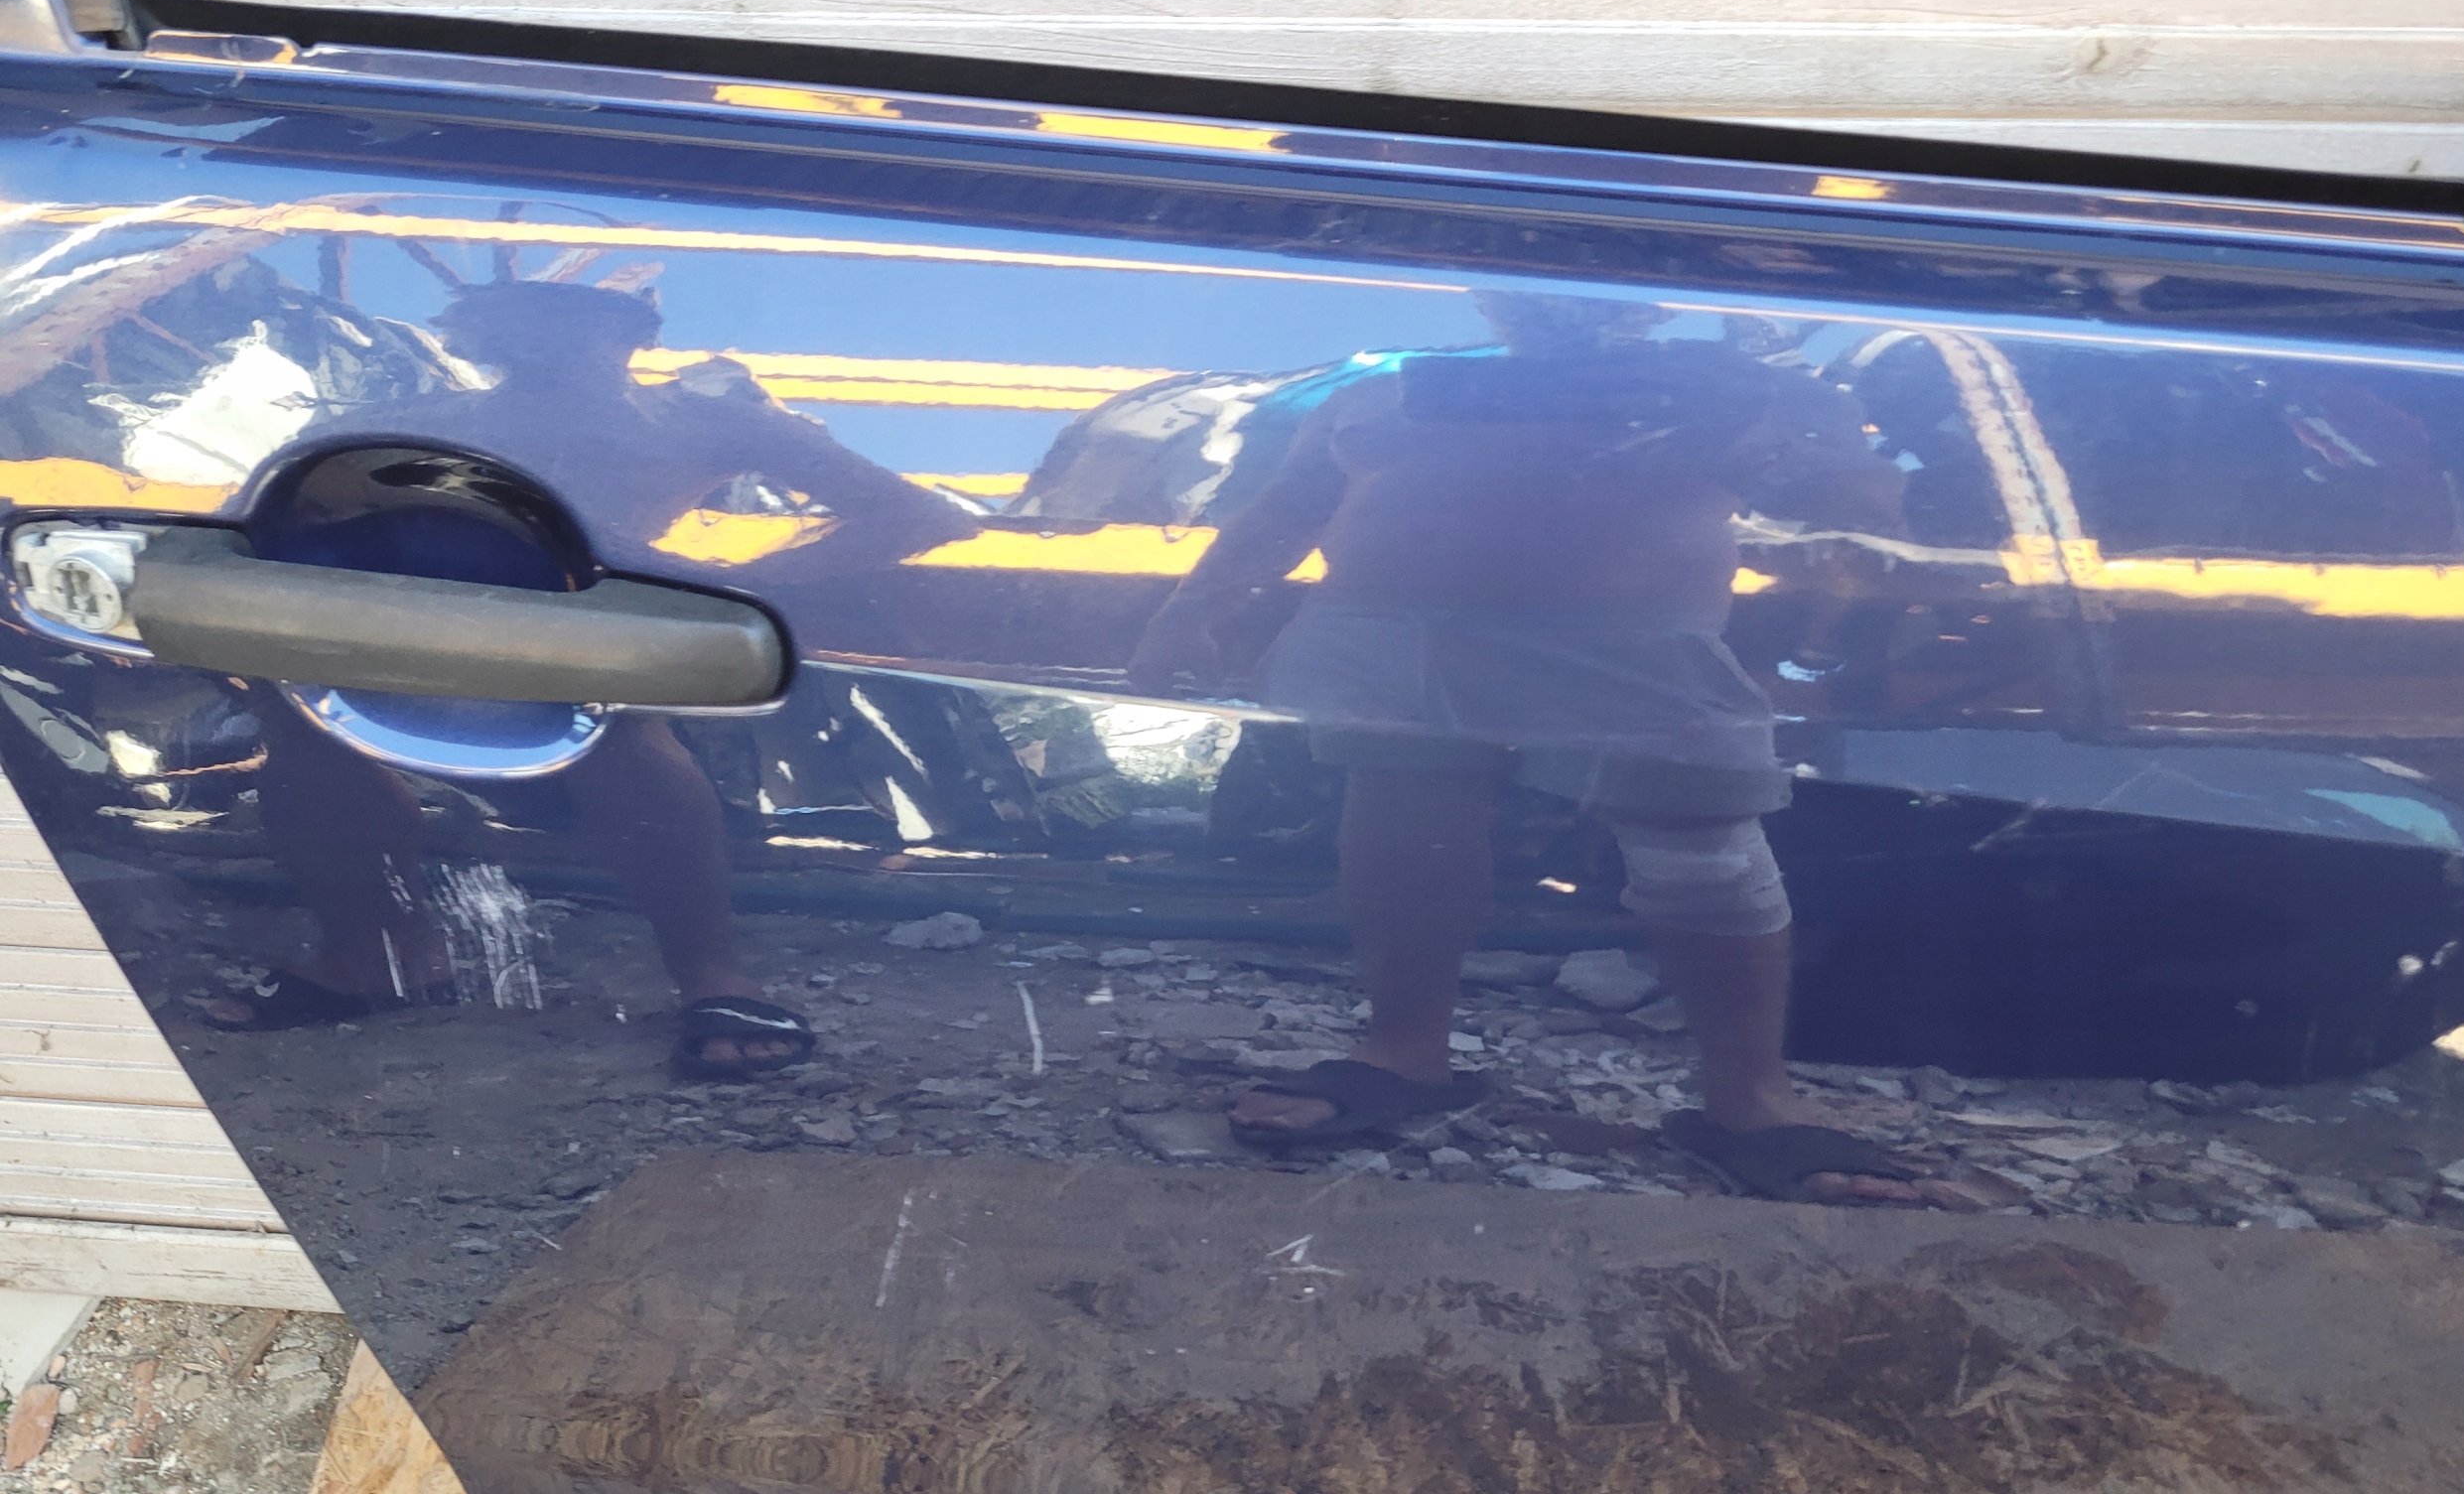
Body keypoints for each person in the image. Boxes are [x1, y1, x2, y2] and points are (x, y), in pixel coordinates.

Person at [1127, 291, 1928, 1203]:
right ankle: (1404, 1048)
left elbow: (1866, 524)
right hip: (1390, 636)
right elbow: (1287, 505)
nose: (1555, 302)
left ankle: (1751, 1098)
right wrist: (1187, 609)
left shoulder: (1742, 387)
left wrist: (1758, 447)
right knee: (1406, 825)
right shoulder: (1390, 386)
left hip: (1632, 641)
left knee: (1700, 842)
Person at [205, 281, 976, 1076]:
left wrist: (740, 583)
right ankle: (371, 953)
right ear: (478, 336)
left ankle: (711, 973)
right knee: (303, 727)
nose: (542, 336)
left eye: (569, 319)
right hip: (398, 629)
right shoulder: (411, 419)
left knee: (622, 736)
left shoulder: (704, 421)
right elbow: (245, 515)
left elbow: (923, 515)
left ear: (630, 332)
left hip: (584, 637)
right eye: (518, 320)